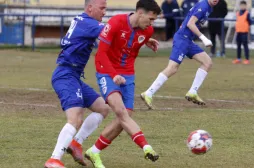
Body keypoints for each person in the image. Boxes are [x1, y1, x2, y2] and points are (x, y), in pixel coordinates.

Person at [83, 0, 162, 167]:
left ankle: (94, 152)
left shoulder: (147, 30)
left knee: (125, 116)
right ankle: (146, 147)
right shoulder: (116, 22)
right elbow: (101, 54)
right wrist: (113, 75)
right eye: (151, 19)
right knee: (120, 111)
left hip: (128, 74)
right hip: (107, 71)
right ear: (140, 13)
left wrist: (147, 40)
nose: (152, 23)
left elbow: (136, 38)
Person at [44, 0, 110, 167]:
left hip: (73, 75)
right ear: (90, 8)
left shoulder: (83, 20)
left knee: (102, 108)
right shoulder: (89, 23)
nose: (104, 12)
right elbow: (111, 31)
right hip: (65, 75)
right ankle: (54, 159)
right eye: (102, 8)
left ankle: (75, 143)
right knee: (76, 118)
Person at [141, 0, 219, 109]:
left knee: (207, 62)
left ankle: (193, 92)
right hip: (182, 39)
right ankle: (148, 93)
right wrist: (203, 38)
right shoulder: (204, 5)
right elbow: (190, 23)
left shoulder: (209, 7)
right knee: (172, 68)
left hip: (188, 41)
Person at [232, 0, 251, 65]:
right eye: (241, 5)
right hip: (238, 32)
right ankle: (238, 58)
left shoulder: (247, 13)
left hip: (244, 32)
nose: (242, 7)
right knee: (238, 46)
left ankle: (247, 59)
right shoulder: (238, 13)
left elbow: (250, 22)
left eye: (243, 5)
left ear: (245, 6)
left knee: (245, 46)